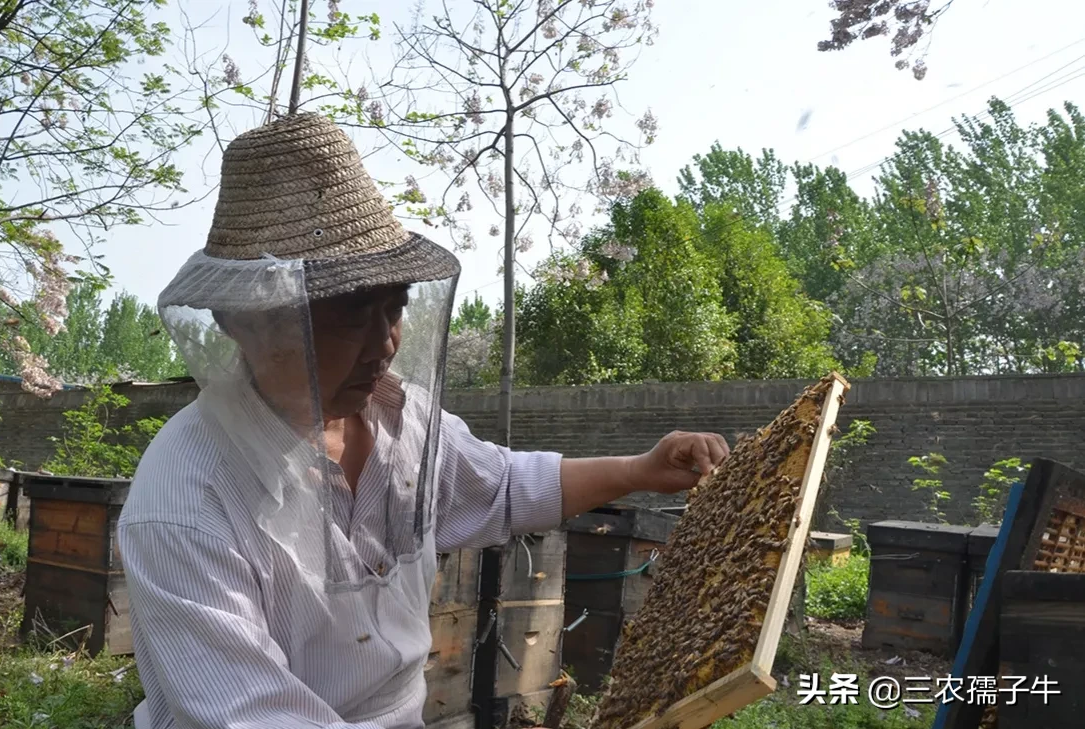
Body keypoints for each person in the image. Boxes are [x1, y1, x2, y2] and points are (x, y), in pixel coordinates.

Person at [118, 112, 730, 729]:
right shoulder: (185, 501)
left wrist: (639, 469)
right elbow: (248, 717)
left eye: (395, 308)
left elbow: (505, 487)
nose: (385, 343)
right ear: (243, 321)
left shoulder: (401, 418)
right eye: (353, 313)